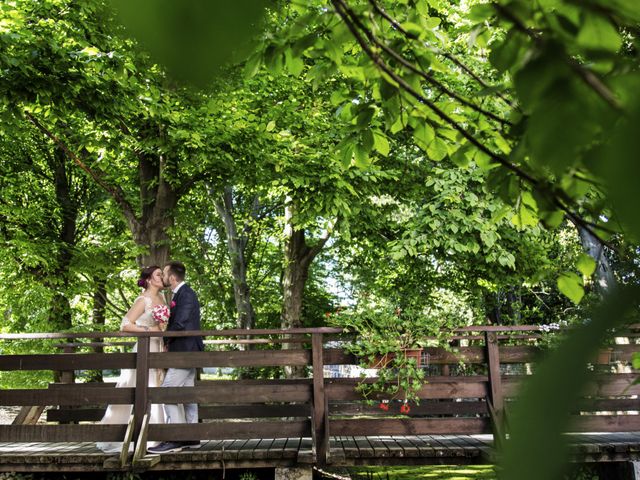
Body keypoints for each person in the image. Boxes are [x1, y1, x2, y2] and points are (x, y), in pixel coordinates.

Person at [97, 266, 166, 453]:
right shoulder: (143, 299)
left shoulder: (163, 298)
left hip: (160, 347)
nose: (163, 277)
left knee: (158, 388)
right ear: (150, 280)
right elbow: (125, 324)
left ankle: (158, 434)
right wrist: (148, 331)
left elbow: (163, 326)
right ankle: (116, 434)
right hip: (145, 347)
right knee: (140, 388)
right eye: (159, 274)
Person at [147, 261, 204, 454]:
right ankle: (191, 437)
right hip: (185, 352)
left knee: (167, 393)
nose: (162, 277)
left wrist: (164, 340)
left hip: (185, 353)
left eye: (164, 273)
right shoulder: (180, 294)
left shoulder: (186, 294)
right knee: (188, 396)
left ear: (171, 277)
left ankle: (176, 438)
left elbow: (180, 324)